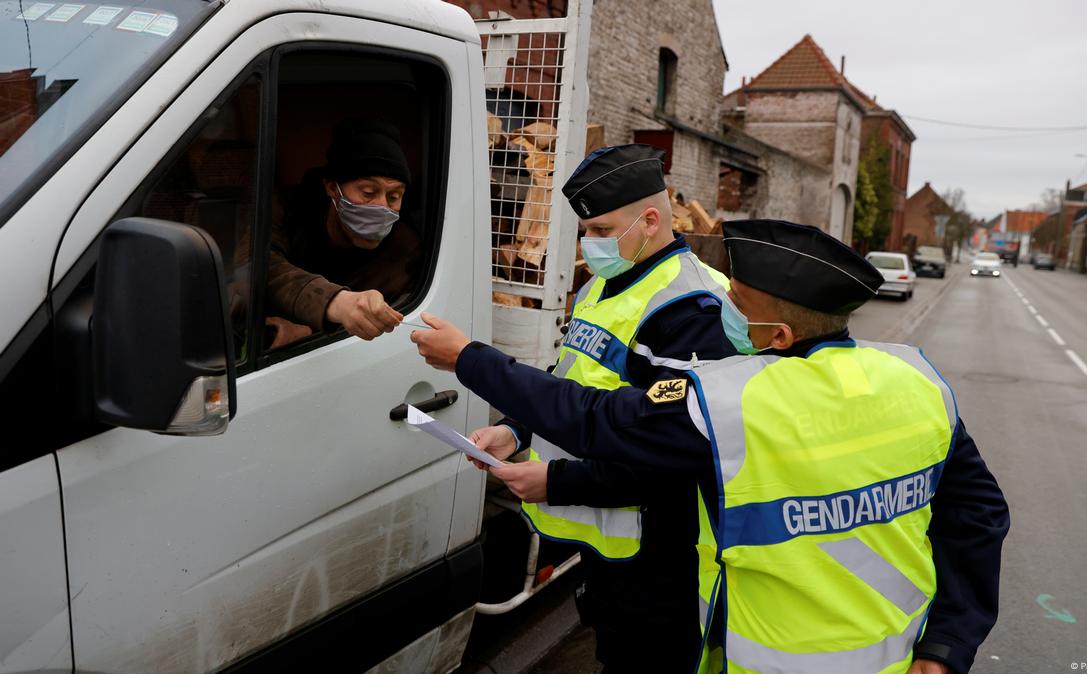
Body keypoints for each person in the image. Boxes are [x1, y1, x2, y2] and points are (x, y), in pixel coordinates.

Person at [412, 220, 1010, 674]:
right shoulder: (917, 380)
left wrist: (468, 358)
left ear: (777, 334)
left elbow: (592, 418)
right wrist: (950, 642)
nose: (721, 309)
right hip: (900, 656)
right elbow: (979, 514)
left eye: (737, 304)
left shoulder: (736, 402)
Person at [449, 144, 736, 670]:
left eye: (602, 230)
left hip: (664, 559)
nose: (590, 243)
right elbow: (569, 381)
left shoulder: (694, 309)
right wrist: (516, 433)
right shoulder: (601, 286)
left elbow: (669, 455)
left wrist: (556, 483)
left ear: (650, 221)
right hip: (611, 546)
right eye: (586, 230)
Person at [258, 117, 419, 348]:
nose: (382, 207)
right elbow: (259, 268)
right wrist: (337, 303)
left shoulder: (405, 252)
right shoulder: (285, 210)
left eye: (394, 197)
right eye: (368, 192)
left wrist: (310, 331)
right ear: (332, 188)